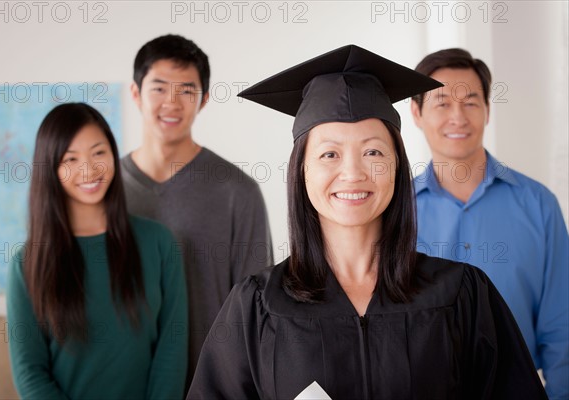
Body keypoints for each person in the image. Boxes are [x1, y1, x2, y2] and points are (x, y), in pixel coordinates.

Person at [186, 45, 547, 399]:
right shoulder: (258, 305)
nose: (353, 172)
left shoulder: (462, 293)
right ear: (302, 171)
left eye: (373, 151)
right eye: (330, 154)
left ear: (396, 167)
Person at [410, 48, 569, 399]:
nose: (458, 117)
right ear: (417, 112)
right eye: (441, 103)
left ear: (487, 110)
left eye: (470, 102)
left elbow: (562, 325)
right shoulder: (396, 214)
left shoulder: (539, 205)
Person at [7, 103, 188, 399]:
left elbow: (172, 348)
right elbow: (30, 373)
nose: (89, 170)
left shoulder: (158, 242)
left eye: (99, 152)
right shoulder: (27, 263)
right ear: (50, 169)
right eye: (71, 159)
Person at [121, 33, 273, 385]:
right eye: (159, 88)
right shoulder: (107, 191)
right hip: (124, 384)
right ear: (135, 94)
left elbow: (255, 309)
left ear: (204, 100)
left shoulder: (238, 192)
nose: (171, 102)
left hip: (212, 383)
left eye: (186, 91)